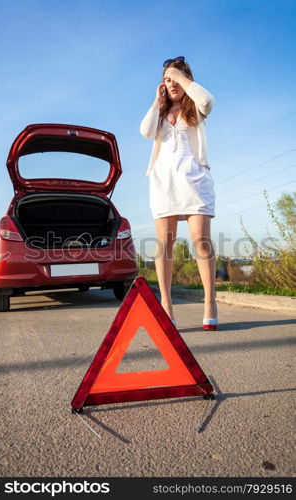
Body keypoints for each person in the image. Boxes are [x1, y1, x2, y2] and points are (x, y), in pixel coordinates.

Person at [140, 56, 218, 330]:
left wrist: (181, 77)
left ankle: (210, 302)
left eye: (176, 78)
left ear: (186, 79)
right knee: (165, 245)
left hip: (194, 181)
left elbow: (208, 99)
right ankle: (166, 305)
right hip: (164, 185)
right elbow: (146, 131)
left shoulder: (196, 106)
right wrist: (156, 102)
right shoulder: (160, 113)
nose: (172, 83)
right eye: (167, 79)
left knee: (201, 241)